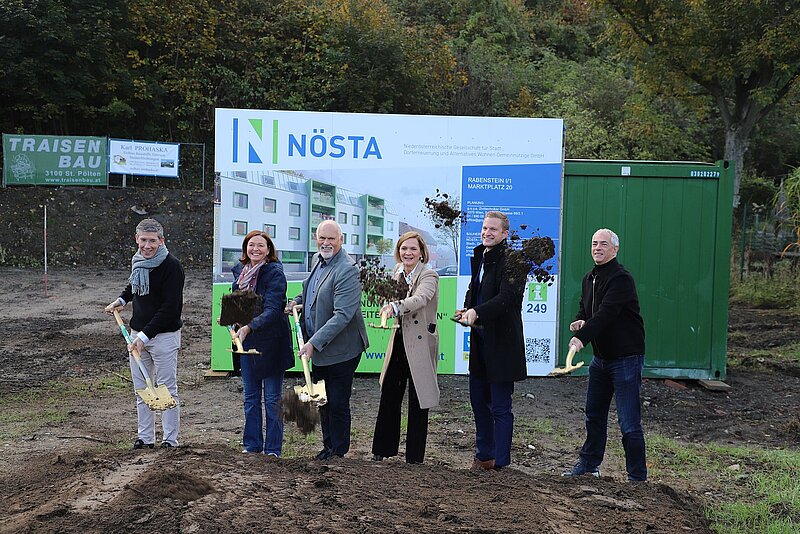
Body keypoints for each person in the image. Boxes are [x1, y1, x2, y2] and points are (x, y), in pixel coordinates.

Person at [562, 228, 647, 482]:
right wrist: (579, 321)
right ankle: (589, 465)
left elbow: (607, 314)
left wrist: (582, 337)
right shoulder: (589, 278)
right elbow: (586, 309)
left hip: (626, 359)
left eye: (603, 244)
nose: (597, 248)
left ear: (615, 249)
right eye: (594, 244)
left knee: (628, 422)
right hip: (600, 361)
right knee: (594, 415)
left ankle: (637, 478)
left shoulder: (621, 279)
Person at [286, 220, 368, 460]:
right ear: (316, 238)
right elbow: (310, 291)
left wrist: (312, 343)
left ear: (340, 240)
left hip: (342, 350)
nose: (326, 243)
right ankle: (328, 446)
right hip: (319, 347)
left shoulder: (348, 269)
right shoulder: (317, 260)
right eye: (322, 238)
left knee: (338, 401)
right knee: (322, 399)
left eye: (331, 239)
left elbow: (343, 315)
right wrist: (296, 301)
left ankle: (339, 451)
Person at [105, 218, 184, 449]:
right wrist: (120, 300)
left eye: (152, 241)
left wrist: (144, 337)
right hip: (137, 333)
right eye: (143, 240)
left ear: (161, 241)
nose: (147, 246)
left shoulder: (172, 267)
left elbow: (170, 309)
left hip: (163, 337)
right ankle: (145, 438)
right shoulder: (138, 262)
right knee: (142, 389)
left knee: (167, 389)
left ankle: (170, 440)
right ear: (136, 239)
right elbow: (134, 286)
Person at [456, 211, 526, 470]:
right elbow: (477, 292)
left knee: (500, 407)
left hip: (503, 346)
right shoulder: (481, 257)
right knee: (478, 402)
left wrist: (478, 312)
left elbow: (507, 299)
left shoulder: (515, 261)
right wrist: (467, 308)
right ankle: (484, 455)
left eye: (493, 229)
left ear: (505, 234)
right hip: (480, 343)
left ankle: (501, 464)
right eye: (484, 228)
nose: (487, 233)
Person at [371, 231, 440, 464]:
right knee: (389, 393)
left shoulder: (429, 275)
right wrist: (386, 303)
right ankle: (382, 450)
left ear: (421, 252)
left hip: (419, 343)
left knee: (418, 398)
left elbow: (421, 299)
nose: (407, 253)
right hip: (398, 340)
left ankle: (414, 457)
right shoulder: (397, 273)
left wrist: (395, 306)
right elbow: (388, 298)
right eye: (403, 248)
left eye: (412, 249)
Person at [231, 230, 294, 456]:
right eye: (251, 245)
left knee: (272, 399)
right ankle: (252, 446)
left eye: (260, 246)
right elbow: (235, 304)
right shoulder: (240, 271)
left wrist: (249, 327)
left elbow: (273, 310)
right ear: (245, 248)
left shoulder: (275, 273)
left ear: (269, 250)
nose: (255, 249)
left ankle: (273, 450)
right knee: (250, 398)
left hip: (271, 344)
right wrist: (231, 322)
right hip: (246, 344)